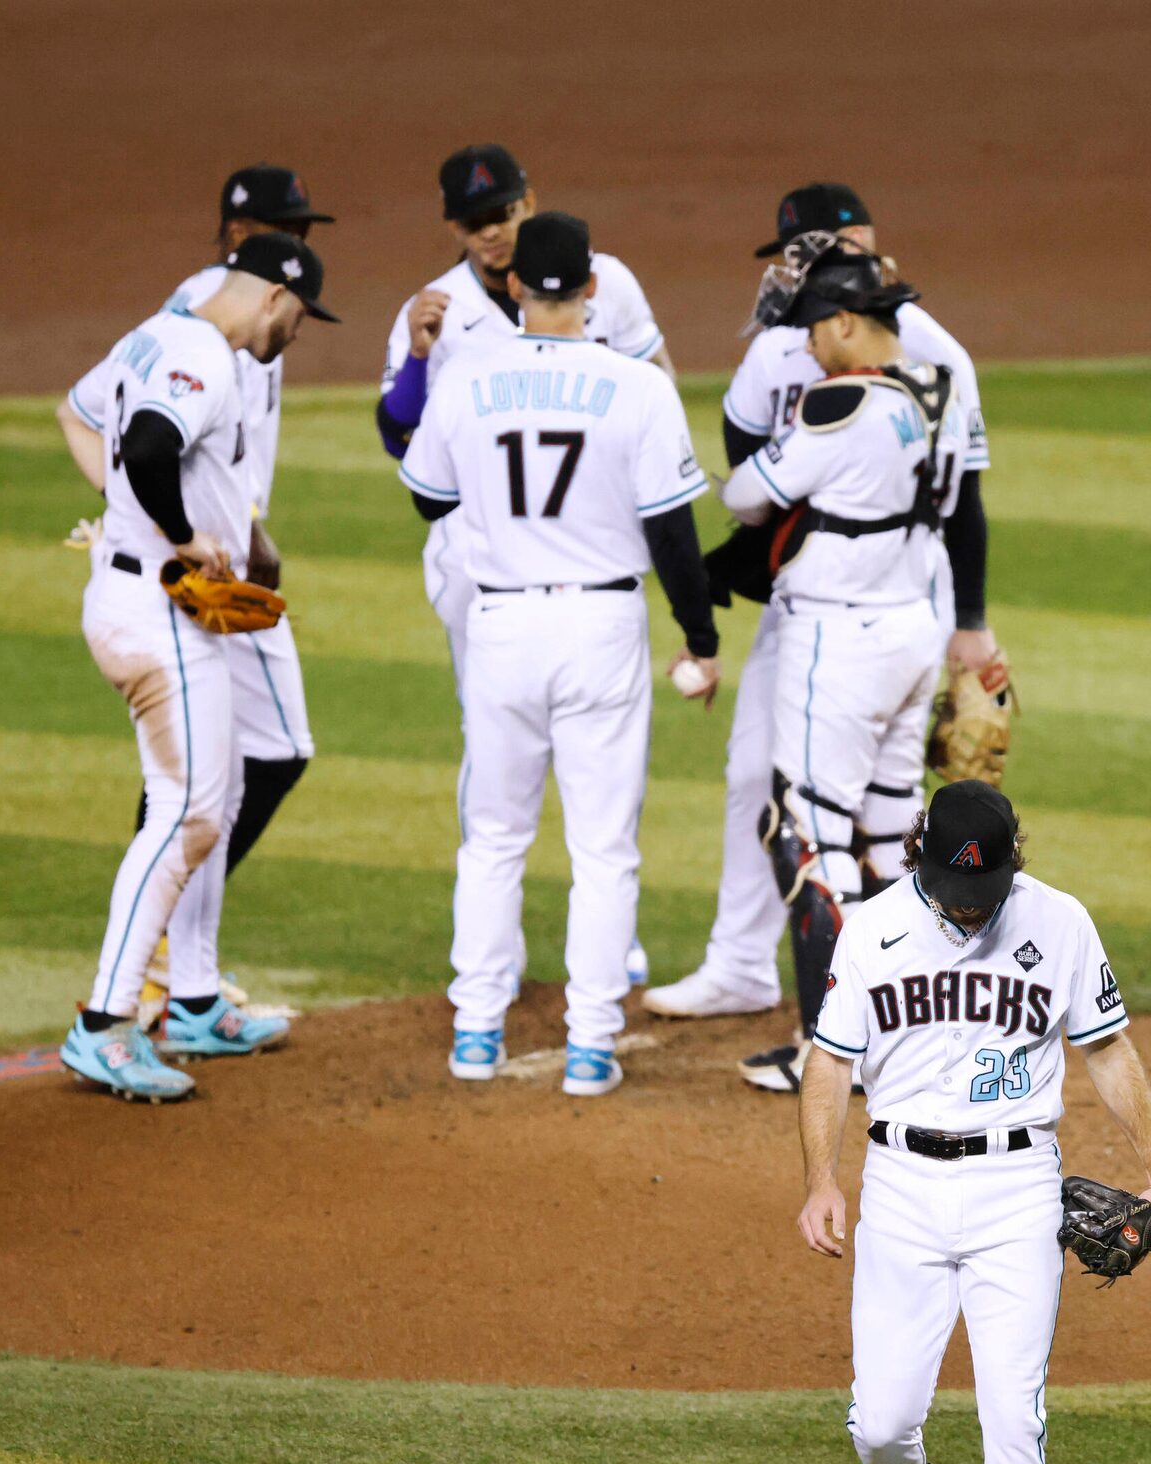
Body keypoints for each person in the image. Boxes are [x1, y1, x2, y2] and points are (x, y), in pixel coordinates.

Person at [795, 780, 1151, 1464]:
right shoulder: (875, 928)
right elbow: (829, 1061)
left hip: (1016, 1189)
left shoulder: (1061, 922)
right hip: (902, 1189)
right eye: (954, 888)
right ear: (921, 854)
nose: (970, 907)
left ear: (1016, 860)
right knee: (881, 1423)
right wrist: (821, 1179)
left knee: (1014, 1415)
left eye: (986, 890)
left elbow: (1108, 1050)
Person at [643, 187, 997, 1070]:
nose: (800, 342)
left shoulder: (839, 406)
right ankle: (915, 1032)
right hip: (914, 630)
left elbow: (743, 491)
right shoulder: (941, 387)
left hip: (837, 644)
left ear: (843, 323)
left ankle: (827, 1046)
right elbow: (963, 508)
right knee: (887, 839)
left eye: (809, 326)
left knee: (804, 835)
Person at [396, 213, 717, 1096]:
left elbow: (429, 499)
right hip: (601, 630)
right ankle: (589, 1047)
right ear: (592, 288)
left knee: (493, 838)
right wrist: (701, 635)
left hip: (498, 625)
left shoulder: (465, 377)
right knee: (604, 849)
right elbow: (674, 532)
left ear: (508, 287)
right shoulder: (635, 388)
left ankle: (475, 1034)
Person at [375, 143, 675, 987]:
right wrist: (422, 355)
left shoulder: (603, 278)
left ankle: (604, 942)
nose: (491, 234)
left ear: (528, 203)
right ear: (453, 228)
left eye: (503, 215)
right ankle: (494, 962)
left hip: (587, 553)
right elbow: (400, 436)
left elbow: (655, 371)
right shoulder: (432, 310)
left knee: (598, 778)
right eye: (474, 223)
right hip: (481, 565)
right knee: (498, 764)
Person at [56, 235, 337, 1100]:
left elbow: (83, 412)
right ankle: (104, 1026)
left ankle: (191, 1001)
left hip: (134, 593)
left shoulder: (156, 333)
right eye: (300, 318)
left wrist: (216, 534)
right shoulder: (205, 357)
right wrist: (178, 538)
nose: (296, 335)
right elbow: (143, 448)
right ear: (276, 297)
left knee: (216, 803)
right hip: (159, 611)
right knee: (184, 817)